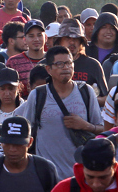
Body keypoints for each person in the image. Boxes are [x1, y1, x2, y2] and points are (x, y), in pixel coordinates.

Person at [15, 45, 104, 179]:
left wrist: (85, 126)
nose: (66, 68)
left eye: (69, 63)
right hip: (46, 175)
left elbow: (102, 129)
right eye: (60, 64)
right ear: (49, 69)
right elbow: (27, 134)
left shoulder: (86, 91)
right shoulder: (38, 95)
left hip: (79, 174)